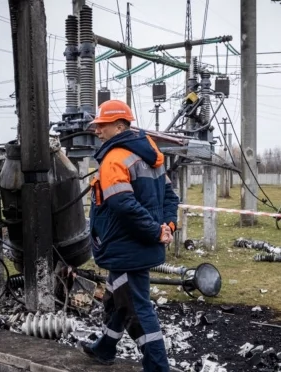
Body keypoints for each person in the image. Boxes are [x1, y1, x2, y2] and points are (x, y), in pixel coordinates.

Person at [78, 99, 180, 372]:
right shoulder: (151, 155)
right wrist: (167, 226)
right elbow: (170, 196)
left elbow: (123, 205)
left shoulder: (115, 159)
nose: (97, 131)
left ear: (120, 125)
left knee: (137, 307)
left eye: (102, 125)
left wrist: (156, 231)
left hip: (126, 247)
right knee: (116, 298)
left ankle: (158, 367)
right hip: (138, 245)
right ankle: (106, 348)